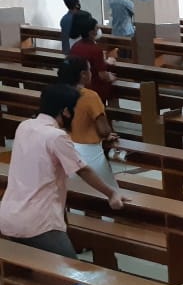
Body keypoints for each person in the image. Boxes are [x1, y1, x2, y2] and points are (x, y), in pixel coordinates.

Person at [0, 83, 125, 258]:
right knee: (69, 270)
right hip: (39, 222)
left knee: (34, 269)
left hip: (9, 215)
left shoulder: (25, 126)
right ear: (66, 111)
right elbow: (83, 170)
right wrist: (111, 193)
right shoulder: (56, 136)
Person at [57, 57, 119, 192]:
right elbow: (104, 130)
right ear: (83, 74)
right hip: (89, 154)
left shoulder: (55, 93)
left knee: (77, 196)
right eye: (90, 70)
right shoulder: (90, 96)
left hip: (64, 151)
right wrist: (107, 135)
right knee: (110, 194)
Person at [67, 12, 115, 105]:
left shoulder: (75, 46)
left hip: (77, 85)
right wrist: (110, 77)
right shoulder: (96, 50)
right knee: (113, 87)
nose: (98, 30)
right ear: (91, 32)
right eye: (96, 28)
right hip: (93, 87)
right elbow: (102, 75)